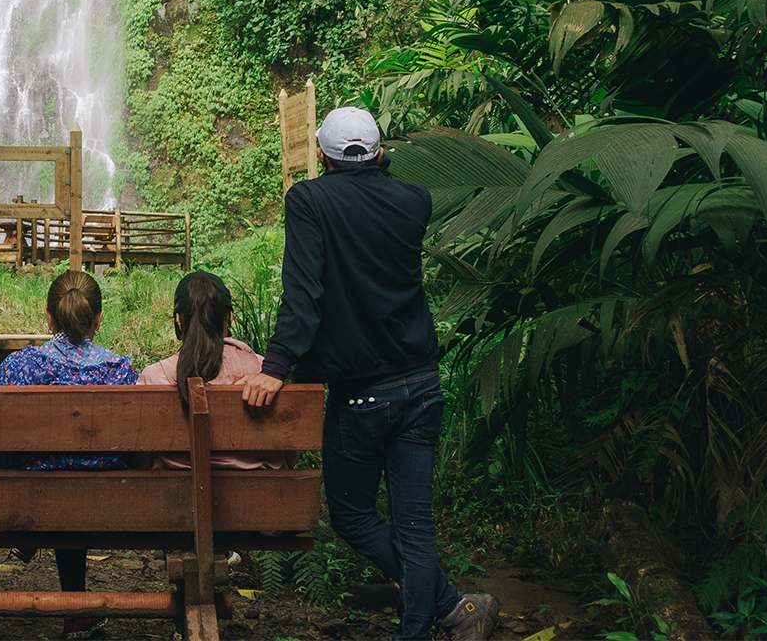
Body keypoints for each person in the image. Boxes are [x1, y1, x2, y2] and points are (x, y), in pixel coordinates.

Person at [237, 107, 499, 641]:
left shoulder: (309, 200)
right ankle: (451, 613)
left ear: (323, 158)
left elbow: (304, 293)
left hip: (361, 396)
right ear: (381, 153)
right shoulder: (415, 200)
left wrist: (277, 365)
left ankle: (447, 609)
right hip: (423, 384)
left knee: (353, 516)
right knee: (416, 527)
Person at [0, 270, 136, 640]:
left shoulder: (19, 367)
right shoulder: (120, 371)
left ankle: (36, 548)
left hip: (34, 497)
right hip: (107, 500)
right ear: (99, 318)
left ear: (49, 317)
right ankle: (76, 607)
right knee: (80, 482)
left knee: (51, 478)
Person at [136, 269, 287, 471]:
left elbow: (141, 458)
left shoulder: (154, 376)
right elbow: (289, 451)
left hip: (174, 496)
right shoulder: (264, 373)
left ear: (179, 320)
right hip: (265, 495)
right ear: (230, 317)